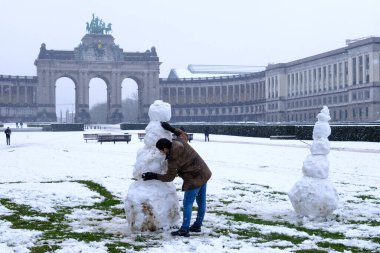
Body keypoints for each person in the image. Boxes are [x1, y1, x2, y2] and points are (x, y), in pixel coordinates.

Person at [142, 122, 212, 237]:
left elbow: (169, 177)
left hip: (194, 178)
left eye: (161, 151)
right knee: (201, 202)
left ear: (165, 149)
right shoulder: (180, 142)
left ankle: (184, 230)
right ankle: (197, 225)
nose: (161, 153)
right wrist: (171, 128)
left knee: (188, 203)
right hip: (203, 172)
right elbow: (184, 134)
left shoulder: (173, 158)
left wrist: (153, 175)